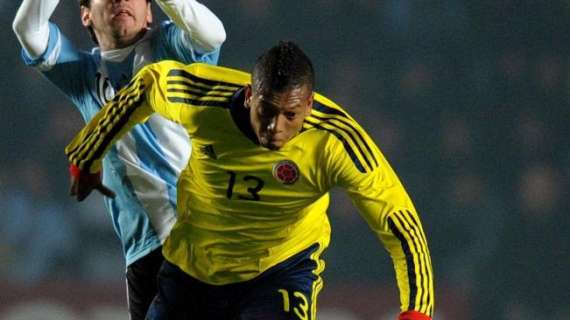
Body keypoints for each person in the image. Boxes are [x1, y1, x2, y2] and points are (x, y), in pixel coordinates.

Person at [65, 41, 434, 320]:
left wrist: (417, 311)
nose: (276, 127)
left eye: (290, 114)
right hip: (193, 268)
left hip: (280, 271)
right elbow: (145, 87)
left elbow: (400, 225)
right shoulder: (202, 100)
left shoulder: (337, 142)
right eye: (266, 111)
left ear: (308, 105)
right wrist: (86, 156)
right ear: (248, 96)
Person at [12, 0, 225, 318]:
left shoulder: (170, 48)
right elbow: (27, 29)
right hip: (143, 256)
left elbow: (213, 34)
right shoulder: (82, 75)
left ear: (151, 11)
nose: (121, 0)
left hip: (197, 234)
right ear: (85, 14)